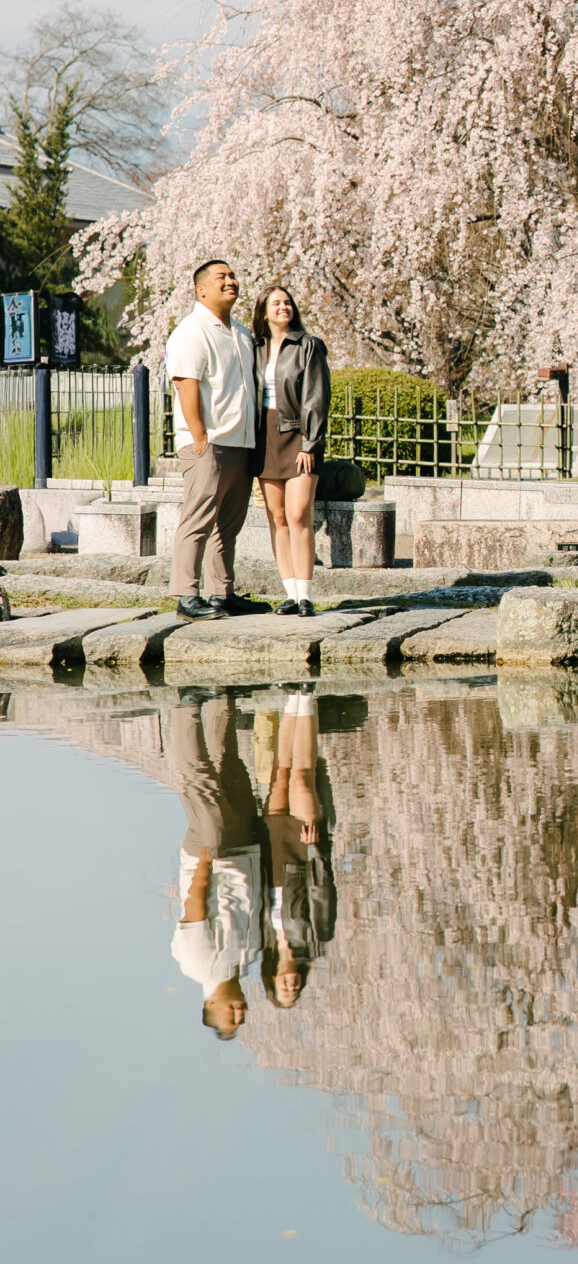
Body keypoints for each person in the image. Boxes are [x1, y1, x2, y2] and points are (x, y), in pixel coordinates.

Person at [165, 260, 263, 621]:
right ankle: (187, 595)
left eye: (233, 276)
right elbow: (185, 382)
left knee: (229, 524)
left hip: (240, 441)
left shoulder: (239, 333)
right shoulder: (191, 331)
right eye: (221, 277)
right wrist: (200, 436)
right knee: (199, 519)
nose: (231, 281)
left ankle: (221, 593)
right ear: (201, 289)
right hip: (207, 442)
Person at [167, 690, 263, 1039]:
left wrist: (205, 863)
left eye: (231, 1015)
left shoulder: (196, 965)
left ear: (210, 1006)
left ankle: (186, 707)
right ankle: (225, 701)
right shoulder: (245, 962)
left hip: (214, 857)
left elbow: (195, 910)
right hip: (243, 853)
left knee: (201, 781)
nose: (240, 1011)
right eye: (241, 1015)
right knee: (232, 768)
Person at [252, 284, 331, 616]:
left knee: (299, 513)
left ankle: (306, 596)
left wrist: (310, 442)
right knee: (277, 517)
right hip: (263, 436)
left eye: (287, 302)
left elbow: (317, 395)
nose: (283, 307)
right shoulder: (255, 347)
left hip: (298, 436)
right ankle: (289, 592)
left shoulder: (308, 345)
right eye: (275, 303)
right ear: (264, 311)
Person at [259, 691, 336, 1009]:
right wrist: (316, 852)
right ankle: (305, 695)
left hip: (273, 859)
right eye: (294, 991)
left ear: (273, 979)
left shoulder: (262, 943)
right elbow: (324, 894)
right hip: (302, 855)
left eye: (284, 989)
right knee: (302, 780)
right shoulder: (316, 942)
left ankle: (290, 697)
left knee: (280, 775)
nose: (292, 986)